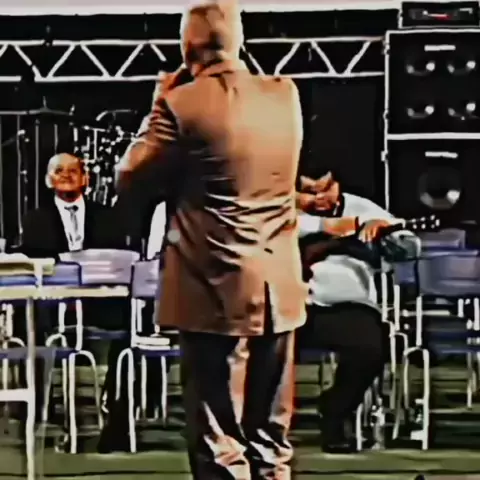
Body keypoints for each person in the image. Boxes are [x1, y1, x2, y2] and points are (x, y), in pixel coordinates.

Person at [115, 0, 307, 478]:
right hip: (279, 286)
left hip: (211, 287)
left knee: (219, 443)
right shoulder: (285, 95)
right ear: (239, 41)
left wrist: (158, 103)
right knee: (271, 442)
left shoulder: (180, 104)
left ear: (187, 47)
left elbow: (130, 179)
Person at [296, 170, 420, 453]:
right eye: (310, 192)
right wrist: (327, 226)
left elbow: (410, 247)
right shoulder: (279, 209)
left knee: (370, 347)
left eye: (325, 189)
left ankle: (336, 412)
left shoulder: (362, 208)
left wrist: (386, 234)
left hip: (345, 305)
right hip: (290, 303)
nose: (319, 198)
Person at [16, 153, 129, 435]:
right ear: (48, 180)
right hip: (53, 304)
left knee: (130, 322)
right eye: (59, 171)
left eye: (73, 171)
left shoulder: (109, 217)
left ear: (86, 179)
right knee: (28, 320)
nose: (66, 175)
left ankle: (117, 409)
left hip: (98, 302)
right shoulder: (35, 220)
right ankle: (37, 406)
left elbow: (117, 260)